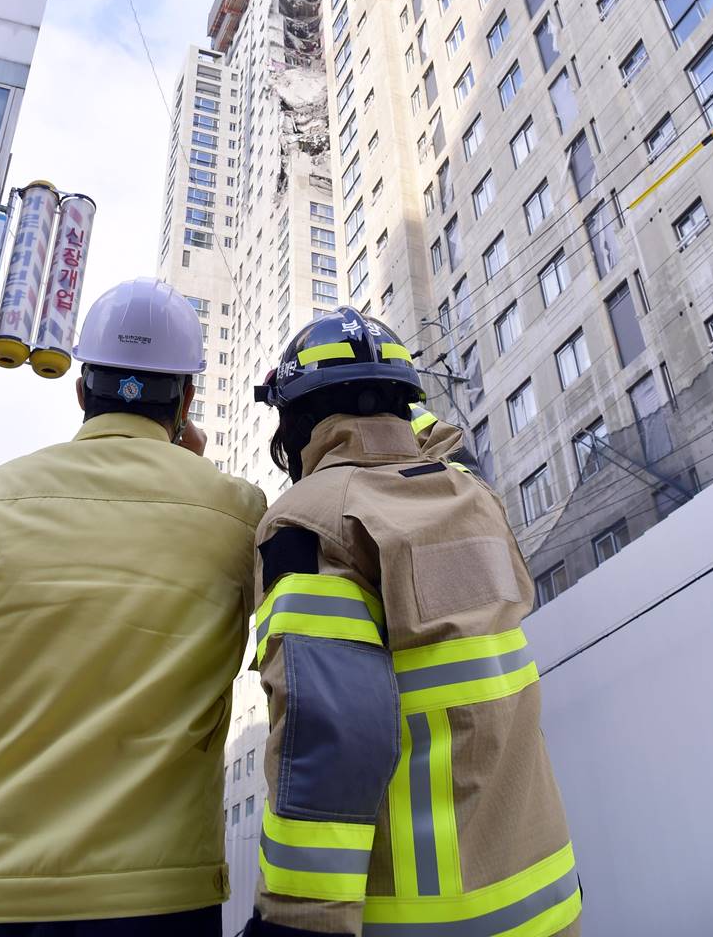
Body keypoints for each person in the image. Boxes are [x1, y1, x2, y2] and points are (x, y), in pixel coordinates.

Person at [0, 277, 266, 937]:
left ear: (81, 388)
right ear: (187, 398)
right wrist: (195, 478)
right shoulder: (238, 515)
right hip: (153, 902)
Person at [243, 306, 581, 937]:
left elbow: (331, 730)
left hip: (424, 917)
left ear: (296, 420)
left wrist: (296, 921)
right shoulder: (469, 498)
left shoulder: (310, 520)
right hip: (546, 899)